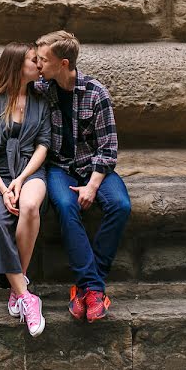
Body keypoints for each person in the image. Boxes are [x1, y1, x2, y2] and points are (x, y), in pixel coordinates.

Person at [34, 31, 131, 323]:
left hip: (94, 167)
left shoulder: (95, 92)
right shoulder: (41, 88)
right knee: (65, 205)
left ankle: (87, 286)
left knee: (120, 205)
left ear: (63, 63)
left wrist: (92, 185)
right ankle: (95, 288)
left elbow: (109, 148)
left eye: (43, 59)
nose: (38, 64)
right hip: (59, 168)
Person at [0, 42, 51, 337]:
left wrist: (20, 181)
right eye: (34, 60)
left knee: (30, 206)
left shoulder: (41, 101)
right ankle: (25, 294)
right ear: (18, 66)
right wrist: (4, 187)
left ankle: (15, 287)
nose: (39, 65)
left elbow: (43, 144)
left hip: (31, 172)